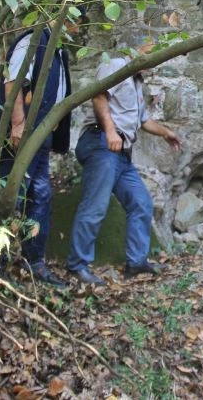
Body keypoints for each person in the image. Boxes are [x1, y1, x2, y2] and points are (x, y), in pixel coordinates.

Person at [67, 43, 181, 285]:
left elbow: (143, 121)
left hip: (120, 154)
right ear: (140, 50)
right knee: (95, 206)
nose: (154, 61)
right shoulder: (116, 65)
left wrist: (165, 133)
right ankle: (77, 266)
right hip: (102, 143)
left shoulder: (138, 83)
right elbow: (99, 96)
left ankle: (136, 263)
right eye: (151, 53)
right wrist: (110, 132)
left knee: (141, 202)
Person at [0, 21, 76, 288]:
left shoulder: (57, 50)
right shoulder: (34, 41)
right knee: (12, 195)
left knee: (40, 195)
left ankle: (33, 263)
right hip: (21, 135)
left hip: (40, 138)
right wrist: (17, 124)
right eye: (77, 19)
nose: (78, 26)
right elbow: (12, 82)